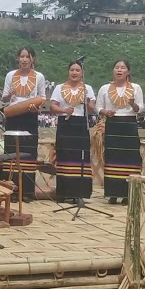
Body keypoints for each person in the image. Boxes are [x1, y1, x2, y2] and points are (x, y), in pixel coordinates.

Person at [0, 47, 47, 201]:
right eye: (22, 56)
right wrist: (11, 94)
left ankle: (26, 192)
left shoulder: (39, 77)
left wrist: (36, 108)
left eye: (28, 56)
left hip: (29, 116)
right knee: (12, 151)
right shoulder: (10, 76)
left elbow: (42, 98)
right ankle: (11, 190)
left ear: (33, 59)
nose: (25, 59)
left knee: (28, 152)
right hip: (13, 116)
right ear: (18, 58)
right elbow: (4, 99)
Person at [95, 60, 144, 205]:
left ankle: (128, 193)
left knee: (130, 159)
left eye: (123, 68)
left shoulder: (136, 88)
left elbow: (140, 109)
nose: (119, 70)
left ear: (128, 72)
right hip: (113, 124)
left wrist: (132, 104)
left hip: (129, 125)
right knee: (113, 158)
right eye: (117, 67)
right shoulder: (105, 88)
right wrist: (105, 111)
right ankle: (113, 193)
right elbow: (98, 108)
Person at [49, 61, 96, 203]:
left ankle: (79, 192)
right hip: (65, 123)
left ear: (82, 73)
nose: (74, 73)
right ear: (68, 71)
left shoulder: (87, 88)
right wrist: (64, 110)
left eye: (77, 70)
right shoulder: (59, 88)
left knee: (80, 158)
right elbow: (52, 106)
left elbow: (92, 109)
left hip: (80, 124)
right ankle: (63, 191)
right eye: (72, 70)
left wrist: (87, 101)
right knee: (64, 156)